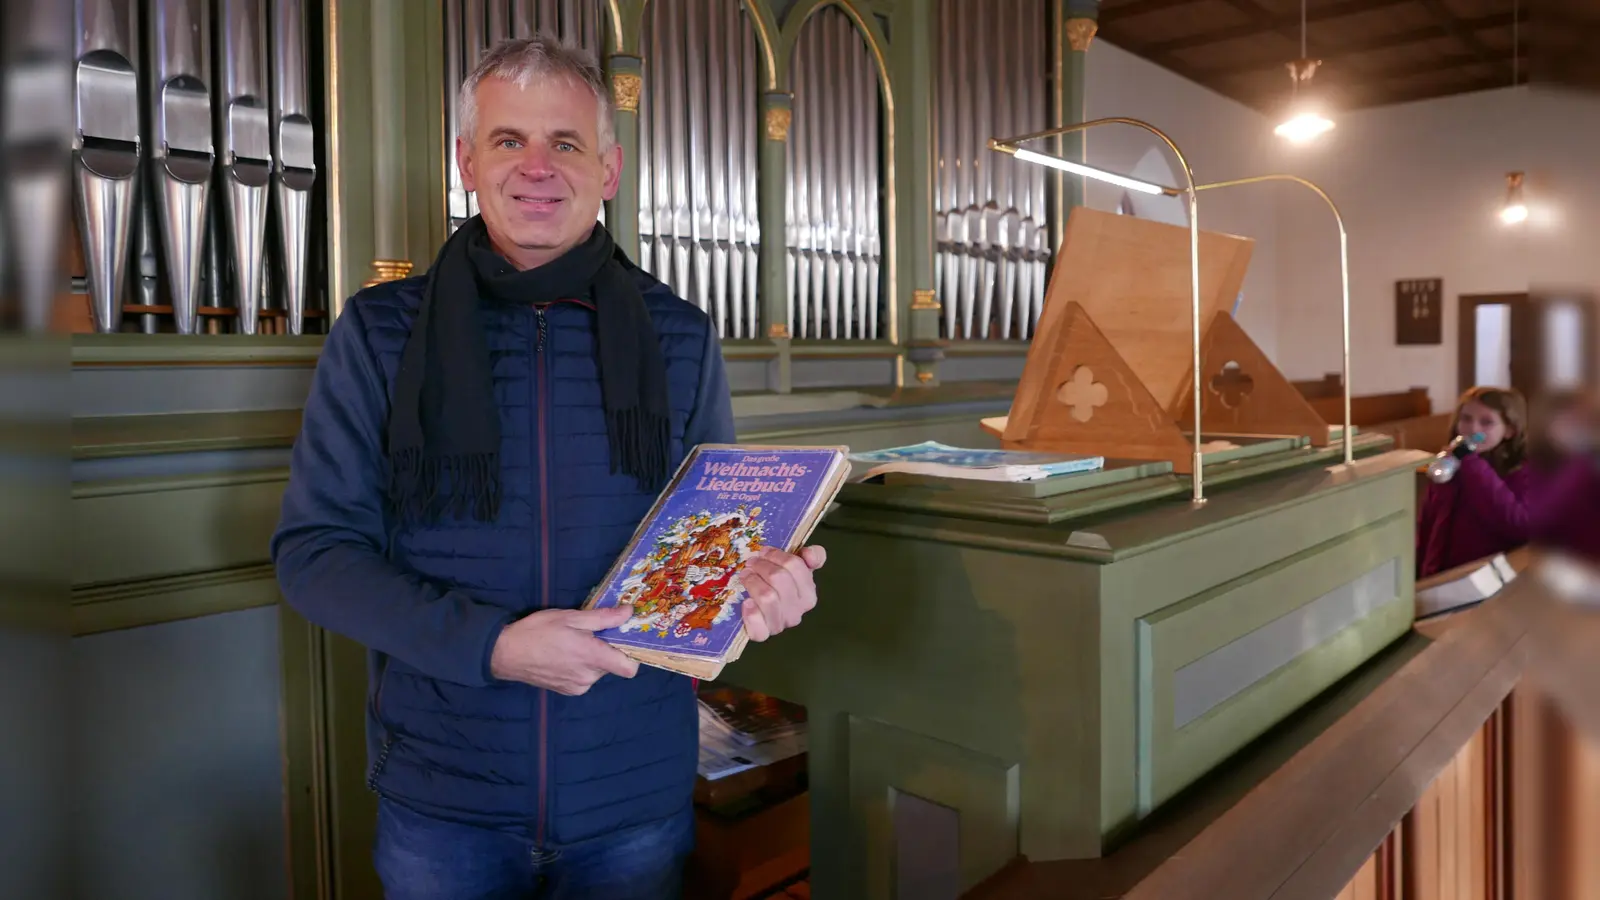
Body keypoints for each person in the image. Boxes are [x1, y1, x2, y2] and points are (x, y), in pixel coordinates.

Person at [270, 35, 826, 899]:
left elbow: (713, 552)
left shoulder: (679, 335)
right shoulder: (380, 333)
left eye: (564, 143)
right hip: (444, 800)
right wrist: (493, 646)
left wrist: (761, 592)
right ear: (466, 161)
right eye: (508, 140)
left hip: (633, 795)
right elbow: (314, 556)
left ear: (608, 168)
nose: (537, 167)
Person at [1415, 386, 1534, 578]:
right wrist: (1419, 573)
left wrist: (1471, 463)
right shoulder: (1450, 464)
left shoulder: (1525, 471)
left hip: (1486, 581)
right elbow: (1428, 524)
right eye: (1466, 419)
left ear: (1509, 430)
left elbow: (1519, 526)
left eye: (1486, 422)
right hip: (1441, 576)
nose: (1473, 429)